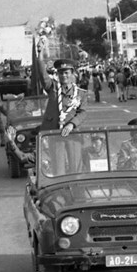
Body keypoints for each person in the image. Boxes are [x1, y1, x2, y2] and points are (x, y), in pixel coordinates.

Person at [35, 39, 88, 173]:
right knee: (58, 169)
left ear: (72, 74)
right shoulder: (52, 87)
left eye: (66, 73)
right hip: (55, 134)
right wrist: (39, 54)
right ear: (57, 74)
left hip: (73, 134)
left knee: (75, 168)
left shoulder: (80, 94)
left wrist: (71, 124)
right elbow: (42, 75)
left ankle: (76, 192)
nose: (64, 76)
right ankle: (60, 194)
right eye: (61, 73)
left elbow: (83, 112)